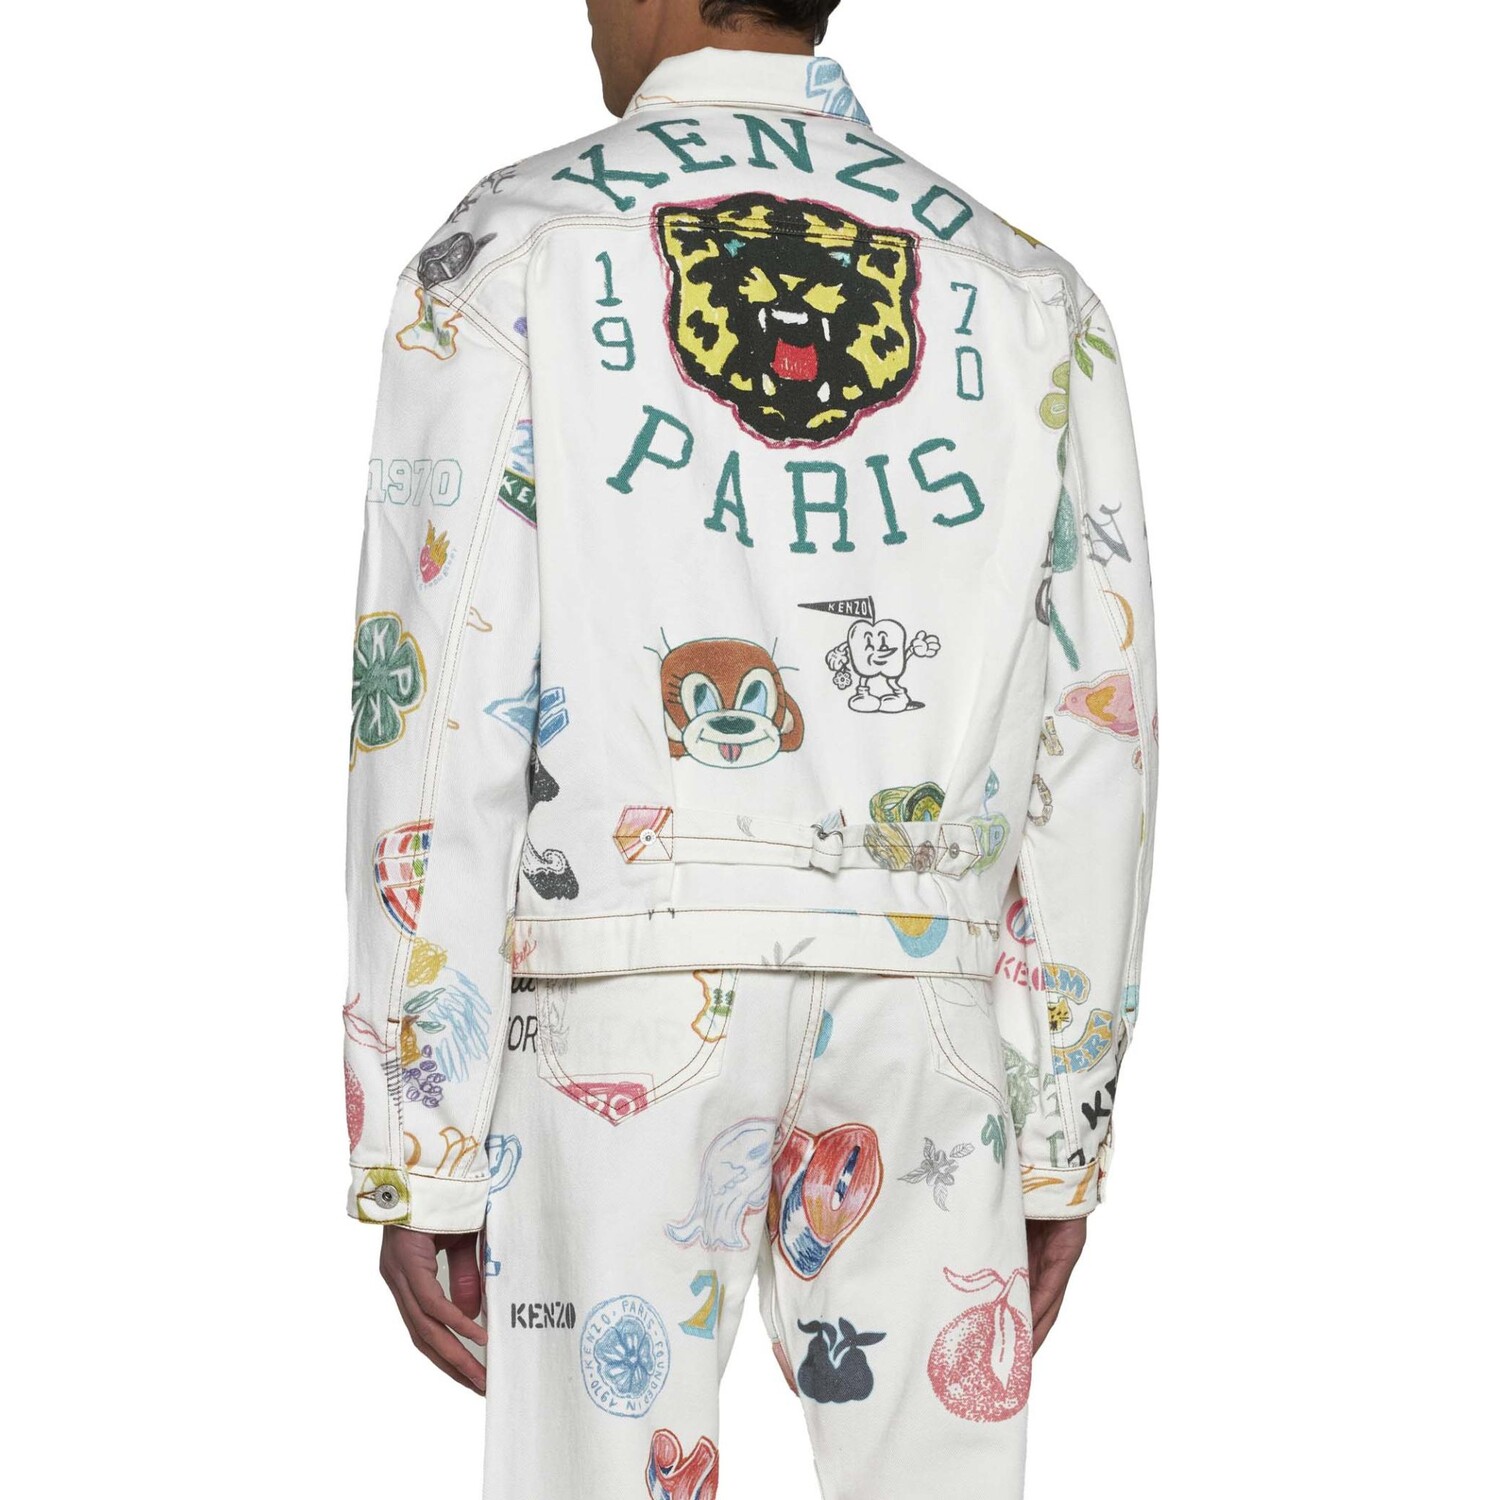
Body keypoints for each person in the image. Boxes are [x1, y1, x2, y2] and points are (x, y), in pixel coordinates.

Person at [342, 1, 1159, 1494]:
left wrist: (420, 1132)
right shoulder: (1027, 287)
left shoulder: (507, 254)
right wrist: (1061, 1127)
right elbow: (1098, 726)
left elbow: (442, 700)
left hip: (614, 993)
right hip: (929, 1002)